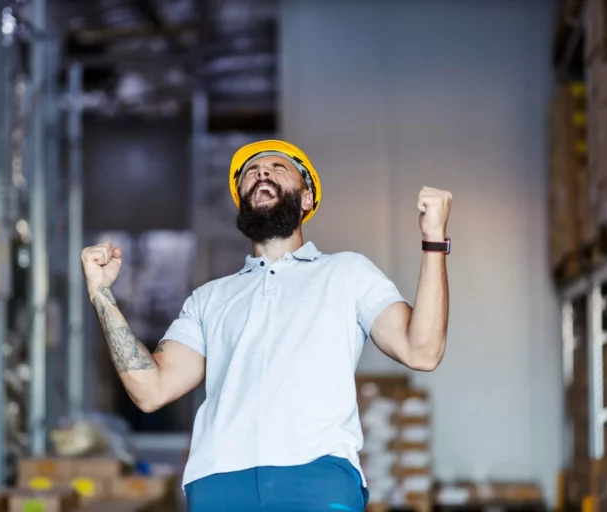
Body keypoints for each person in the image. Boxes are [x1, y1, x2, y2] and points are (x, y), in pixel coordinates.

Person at [81, 140, 451, 511]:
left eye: (278, 167)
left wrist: (434, 240)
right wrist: (101, 294)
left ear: (307, 199)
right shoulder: (209, 298)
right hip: (219, 483)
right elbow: (151, 390)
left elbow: (421, 350)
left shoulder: (348, 273)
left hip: (317, 479)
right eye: (250, 173)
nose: (261, 173)